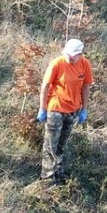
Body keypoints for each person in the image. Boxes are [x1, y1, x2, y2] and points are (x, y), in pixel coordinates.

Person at [36, 38, 94, 184]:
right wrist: (43, 108)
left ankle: (58, 171)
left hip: (73, 110)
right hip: (56, 108)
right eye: (68, 55)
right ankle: (47, 178)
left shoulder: (85, 64)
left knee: (61, 144)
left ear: (80, 54)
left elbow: (85, 87)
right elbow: (45, 86)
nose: (70, 58)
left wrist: (84, 109)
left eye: (74, 55)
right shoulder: (57, 63)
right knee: (51, 145)